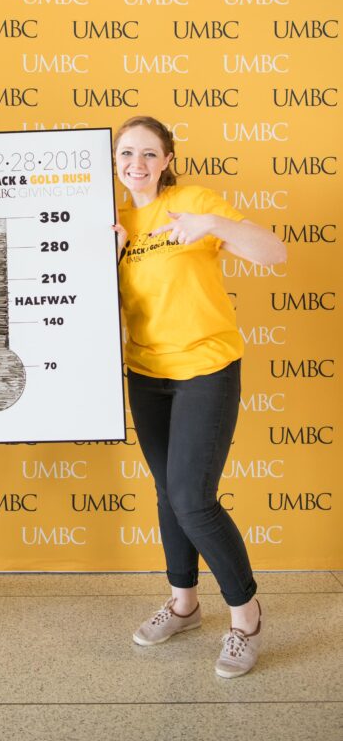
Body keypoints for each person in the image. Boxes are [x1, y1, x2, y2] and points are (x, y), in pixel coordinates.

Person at [112, 116, 287, 678]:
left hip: (207, 368)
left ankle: (246, 618)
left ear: (166, 159)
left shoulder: (193, 201)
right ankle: (184, 604)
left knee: (192, 498)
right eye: (125, 153)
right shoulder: (109, 220)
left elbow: (273, 254)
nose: (135, 163)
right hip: (146, 372)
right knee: (168, 492)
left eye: (148, 153)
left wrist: (212, 223)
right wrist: (104, 256)